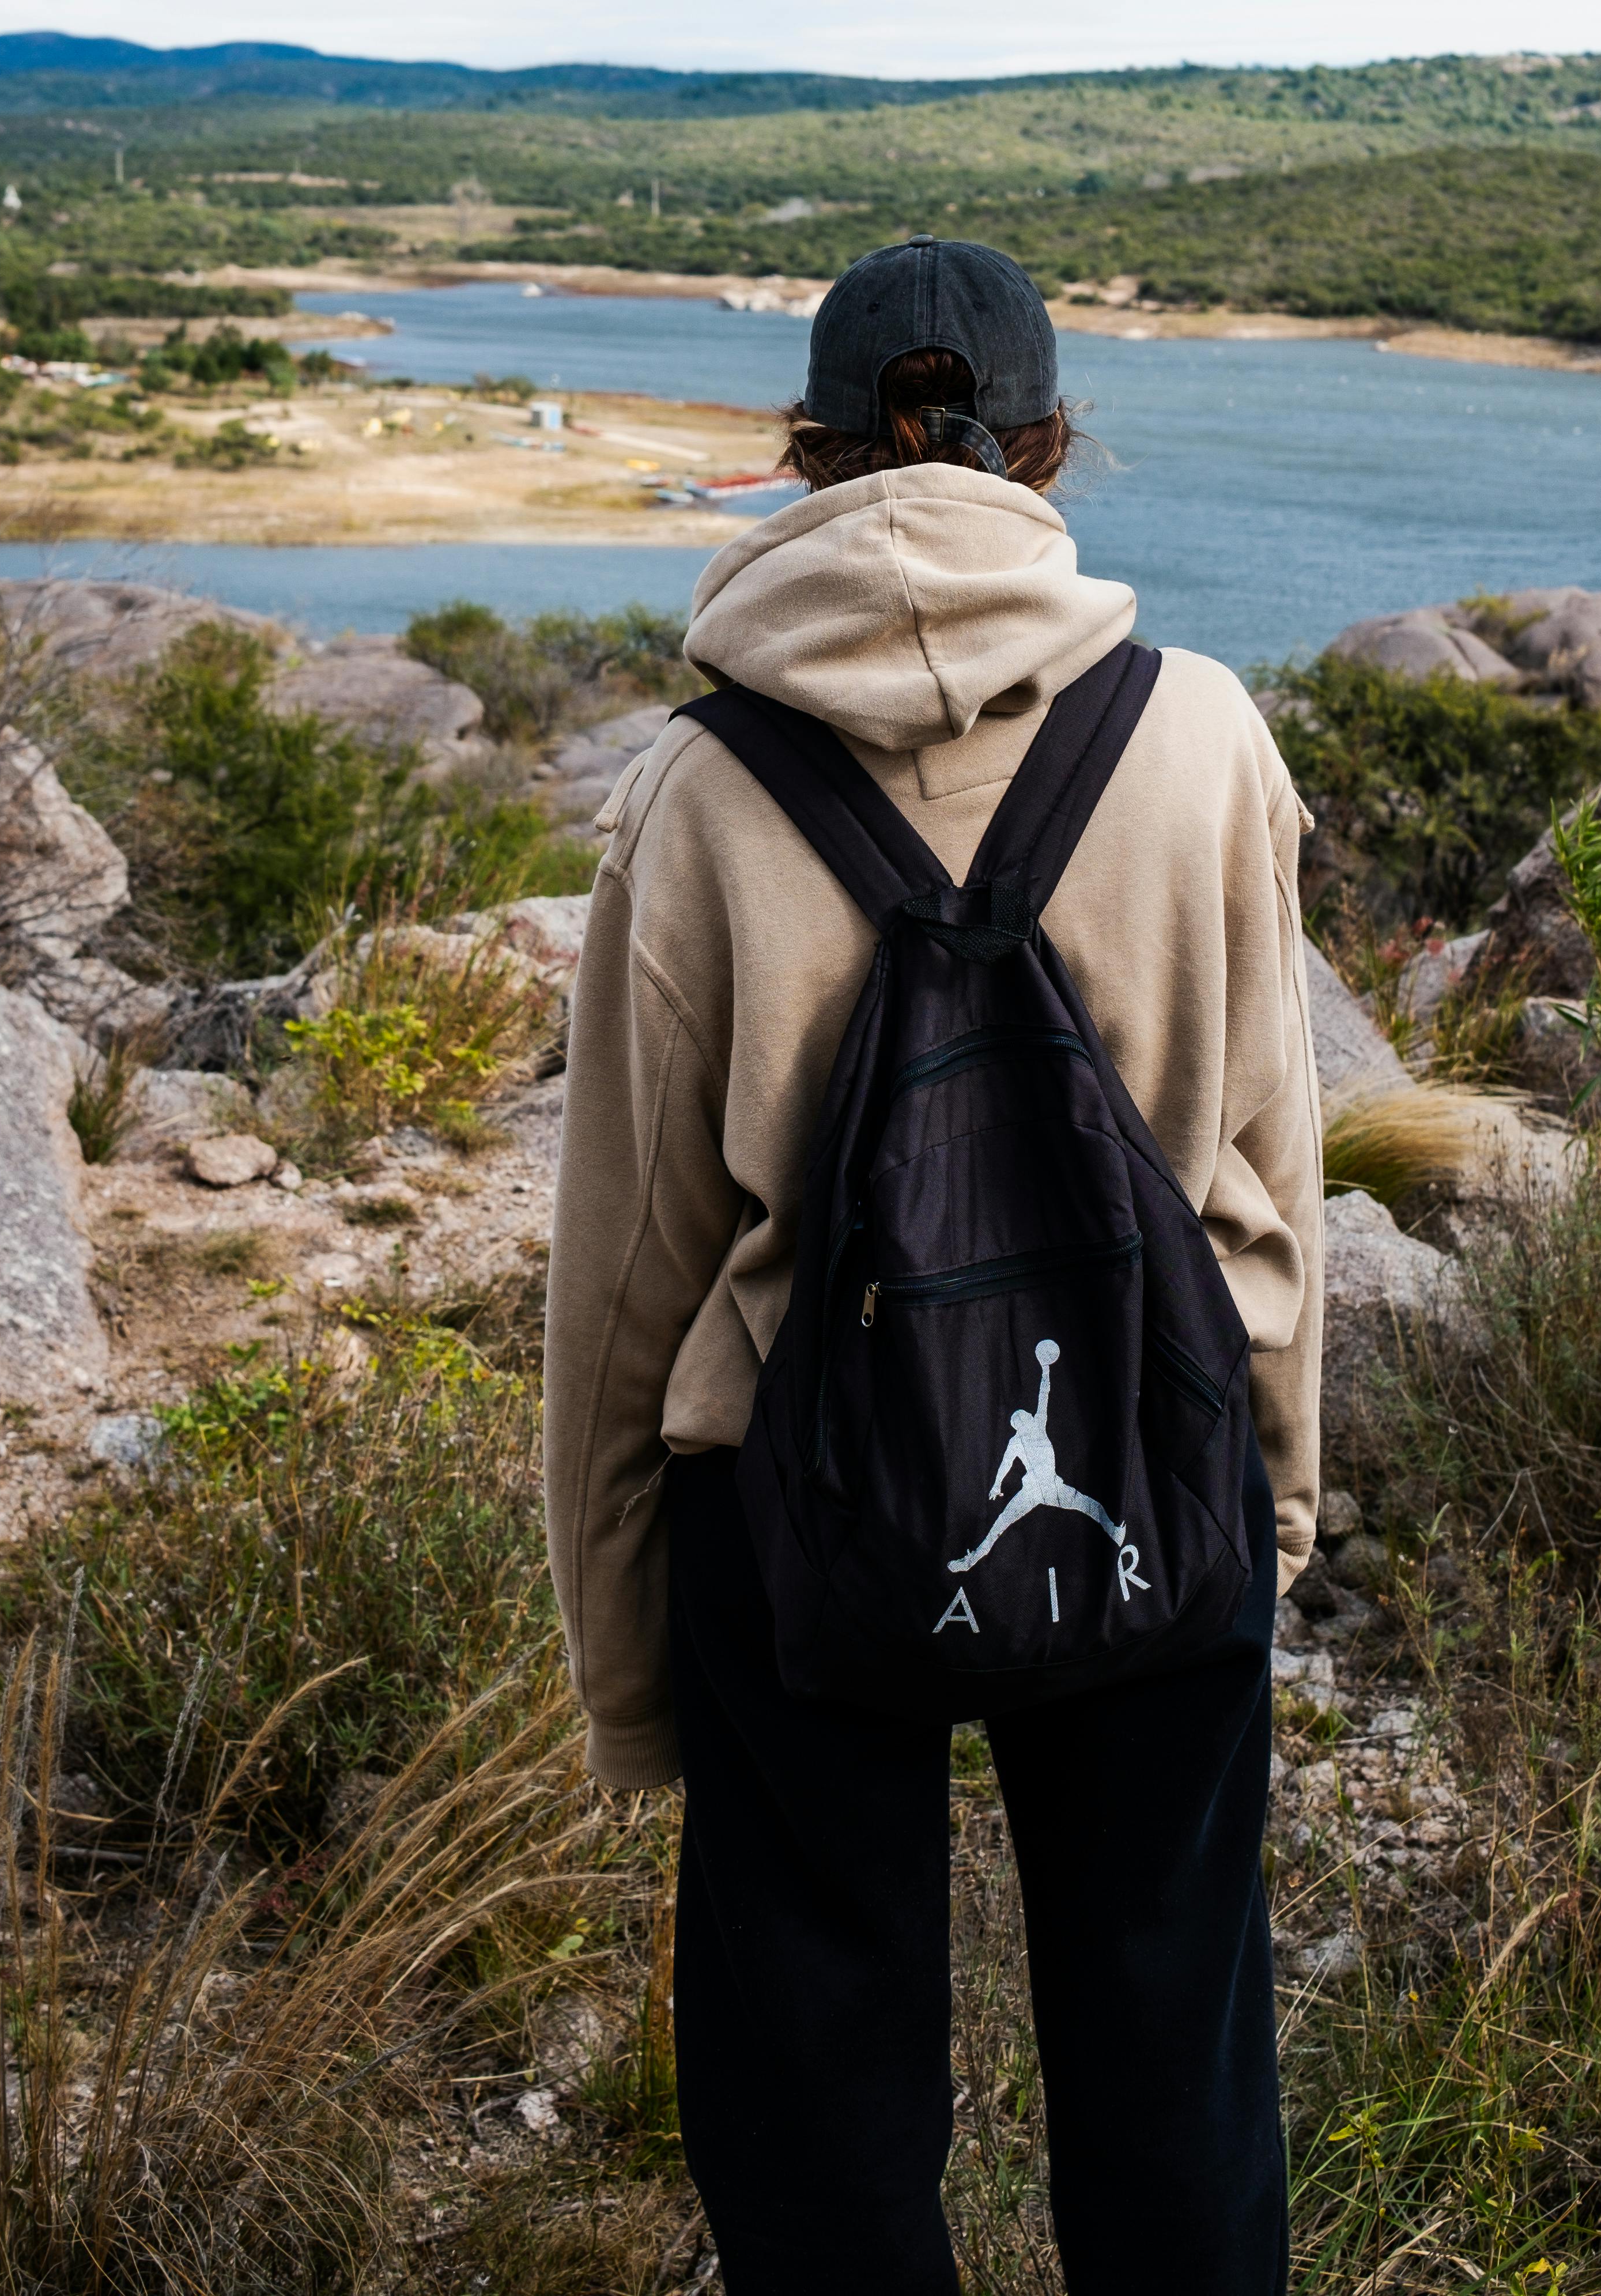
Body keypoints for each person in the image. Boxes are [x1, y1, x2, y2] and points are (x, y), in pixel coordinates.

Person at [545, 237, 1324, 2295]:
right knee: (1175, 2052)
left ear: (799, 453)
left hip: (802, 1510)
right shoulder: (1208, 734)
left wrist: (631, 1677)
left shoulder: (696, 789)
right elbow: (1274, 1162)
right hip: (1153, 1457)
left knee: (812, 2077)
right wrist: (1282, 1497)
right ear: (1053, 448)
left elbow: (631, 1278)